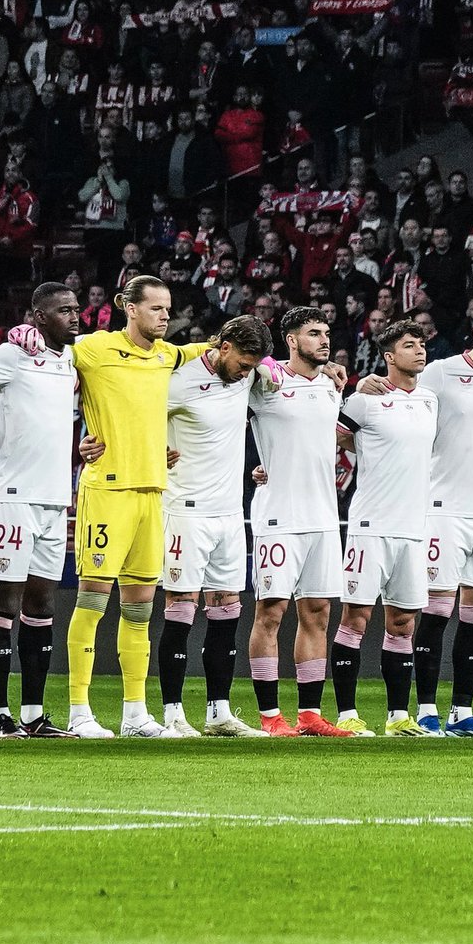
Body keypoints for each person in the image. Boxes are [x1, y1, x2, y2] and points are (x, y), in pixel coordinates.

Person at [10, 276, 218, 738]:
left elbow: (216, 347)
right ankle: (79, 711)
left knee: (141, 609)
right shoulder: (94, 348)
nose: (166, 315)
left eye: (168, 308)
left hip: (152, 493)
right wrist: (22, 332)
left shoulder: (168, 355)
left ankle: (134, 714)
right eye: (157, 308)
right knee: (91, 602)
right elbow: (44, 342)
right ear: (129, 307)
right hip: (107, 491)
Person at [361, 297, 473, 736]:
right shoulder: (440, 372)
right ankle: (428, 711)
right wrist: (367, 384)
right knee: (435, 613)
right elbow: (401, 399)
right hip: (443, 512)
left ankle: (463, 713)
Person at [156, 315, 273, 738]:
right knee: (181, 609)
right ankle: (172, 714)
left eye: (254, 364)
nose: (248, 371)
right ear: (223, 348)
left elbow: (283, 377)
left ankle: (218, 712)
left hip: (229, 513)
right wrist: (153, 450)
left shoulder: (249, 376)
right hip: (185, 511)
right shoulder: (179, 382)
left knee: (226, 611)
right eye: (243, 362)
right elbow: (135, 417)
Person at [0, 282, 82, 739]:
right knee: (4, 602)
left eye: (77, 309)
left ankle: (35, 714)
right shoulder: (10, 355)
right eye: (63, 311)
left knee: (42, 604)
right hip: (12, 497)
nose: (75, 317)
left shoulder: (71, 361)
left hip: (55, 499)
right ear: (37, 317)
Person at [331, 320, 439, 736]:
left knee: (403, 624)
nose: (420, 351)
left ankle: (398, 716)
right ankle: (347, 715)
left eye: (422, 344)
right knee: (355, 618)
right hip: (371, 524)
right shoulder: (365, 400)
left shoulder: (430, 400)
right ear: (389, 356)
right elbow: (333, 438)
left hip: (414, 528)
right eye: (409, 346)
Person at [247, 308, 351, 738]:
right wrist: (268, 362)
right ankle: (271, 717)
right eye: (313, 333)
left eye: (327, 333)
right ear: (291, 340)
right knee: (271, 612)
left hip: (324, 516)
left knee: (319, 613)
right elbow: (242, 363)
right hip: (279, 515)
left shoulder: (331, 386)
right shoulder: (266, 382)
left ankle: (309, 714)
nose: (324, 340)